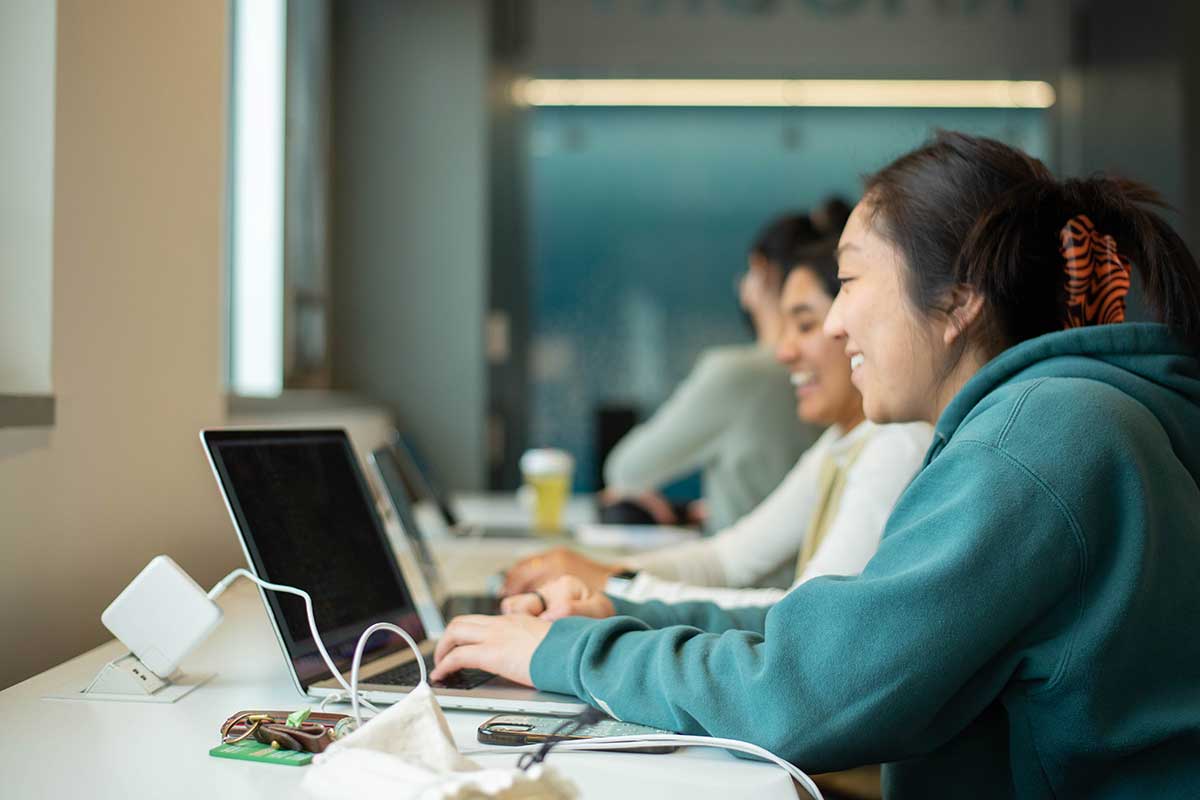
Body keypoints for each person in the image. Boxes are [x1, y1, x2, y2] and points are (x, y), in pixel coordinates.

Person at [431, 132, 1200, 796]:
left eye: (851, 280)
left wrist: (563, 652)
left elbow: (801, 694)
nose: (834, 323)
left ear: (960, 298)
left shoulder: (1033, 442)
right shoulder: (1061, 421)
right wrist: (625, 618)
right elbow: (840, 631)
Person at [502, 241, 931, 607]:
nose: (783, 352)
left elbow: (804, 615)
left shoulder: (897, 443)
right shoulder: (842, 441)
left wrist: (616, 588)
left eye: (805, 324)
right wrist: (606, 574)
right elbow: (728, 558)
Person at [599, 211, 836, 532]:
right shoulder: (838, 396)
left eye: (807, 324)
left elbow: (626, 469)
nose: (787, 354)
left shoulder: (738, 374)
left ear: (761, 270)